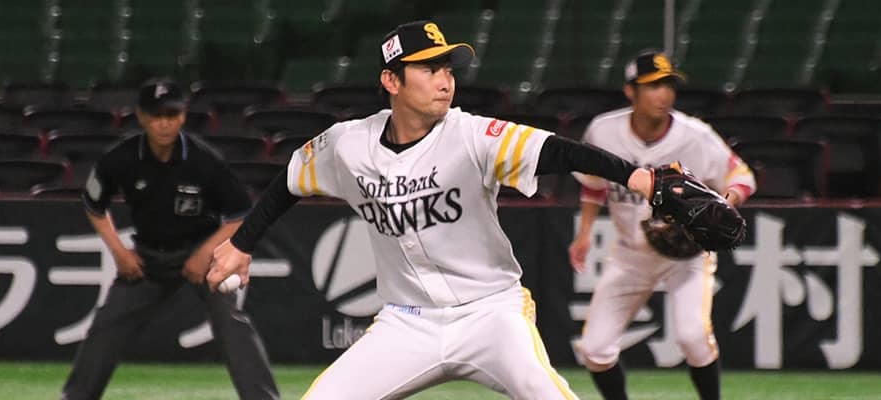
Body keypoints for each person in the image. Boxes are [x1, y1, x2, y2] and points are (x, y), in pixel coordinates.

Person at [207, 21, 657, 399]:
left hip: (491, 314)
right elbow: (291, 179)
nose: (445, 80)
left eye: (447, 68)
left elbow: (558, 150)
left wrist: (637, 177)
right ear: (392, 81)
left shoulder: (471, 135)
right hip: (407, 322)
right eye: (428, 68)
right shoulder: (349, 144)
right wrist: (242, 244)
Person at [61, 78, 280, 400]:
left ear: (183, 116)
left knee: (232, 320)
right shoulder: (121, 158)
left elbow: (240, 214)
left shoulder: (204, 160)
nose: (164, 123)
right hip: (148, 258)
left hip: (201, 256)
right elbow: (94, 204)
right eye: (156, 115)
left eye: (171, 114)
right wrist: (119, 252)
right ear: (141, 116)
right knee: (107, 324)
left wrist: (205, 253)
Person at [567, 50, 757, 400]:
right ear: (631, 91)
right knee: (594, 350)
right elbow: (593, 184)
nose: (663, 94)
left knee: (693, 337)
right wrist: (584, 234)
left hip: (687, 256)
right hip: (631, 256)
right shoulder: (603, 131)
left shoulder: (695, 135)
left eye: (668, 85)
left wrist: (724, 203)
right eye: (652, 86)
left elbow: (743, 176)